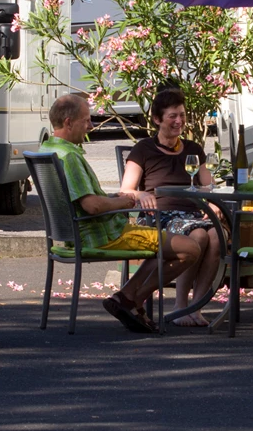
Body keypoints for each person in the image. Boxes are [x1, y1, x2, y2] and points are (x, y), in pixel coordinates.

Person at [40, 94, 202, 333]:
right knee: (190, 249)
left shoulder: (48, 148)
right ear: (68, 122)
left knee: (162, 244)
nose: (91, 126)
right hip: (102, 234)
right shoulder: (70, 156)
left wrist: (116, 199)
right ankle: (131, 300)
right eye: (86, 121)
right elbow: (92, 206)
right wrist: (125, 201)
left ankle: (126, 297)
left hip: (74, 234)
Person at [119, 87, 224, 327]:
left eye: (182, 115)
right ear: (157, 119)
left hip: (194, 212)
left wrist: (211, 200)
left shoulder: (193, 150)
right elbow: (126, 190)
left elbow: (209, 185)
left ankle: (196, 307)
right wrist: (141, 193)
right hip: (160, 215)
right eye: (172, 116)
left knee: (217, 236)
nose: (179, 121)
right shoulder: (143, 149)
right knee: (197, 234)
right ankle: (180, 305)